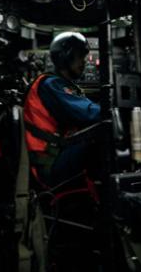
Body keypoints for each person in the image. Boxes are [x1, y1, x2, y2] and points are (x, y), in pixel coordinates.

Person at [23, 32, 101, 188]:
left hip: (58, 154)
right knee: (101, 136)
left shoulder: (62, 85)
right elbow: (89, 113)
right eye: (80, 56)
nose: (84, 62)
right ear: (66, 57)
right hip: (50, 165)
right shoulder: (51, 85)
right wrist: (113, 109)